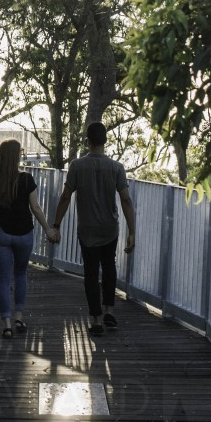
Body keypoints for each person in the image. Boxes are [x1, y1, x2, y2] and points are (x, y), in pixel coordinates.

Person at [51, 121, 135, 335]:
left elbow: (65, 196)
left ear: (87, 141)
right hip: (110, 229)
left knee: (90, 273)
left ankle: (96, 321)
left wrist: (56, 224)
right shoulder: (116, 168)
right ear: (105, 141)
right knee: (109, 268)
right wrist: (132, 232)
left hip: (87, 229)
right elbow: (125, 200)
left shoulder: (77, 166)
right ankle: (110, 312)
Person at [0, 138, 60, 338]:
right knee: (19, 275)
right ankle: (19, 317)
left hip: (1, 234)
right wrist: (48, 229)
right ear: (16, 156)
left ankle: (6, 324)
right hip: (24, 235)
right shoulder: (27, 179)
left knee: (2, 278)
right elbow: (35, 208)